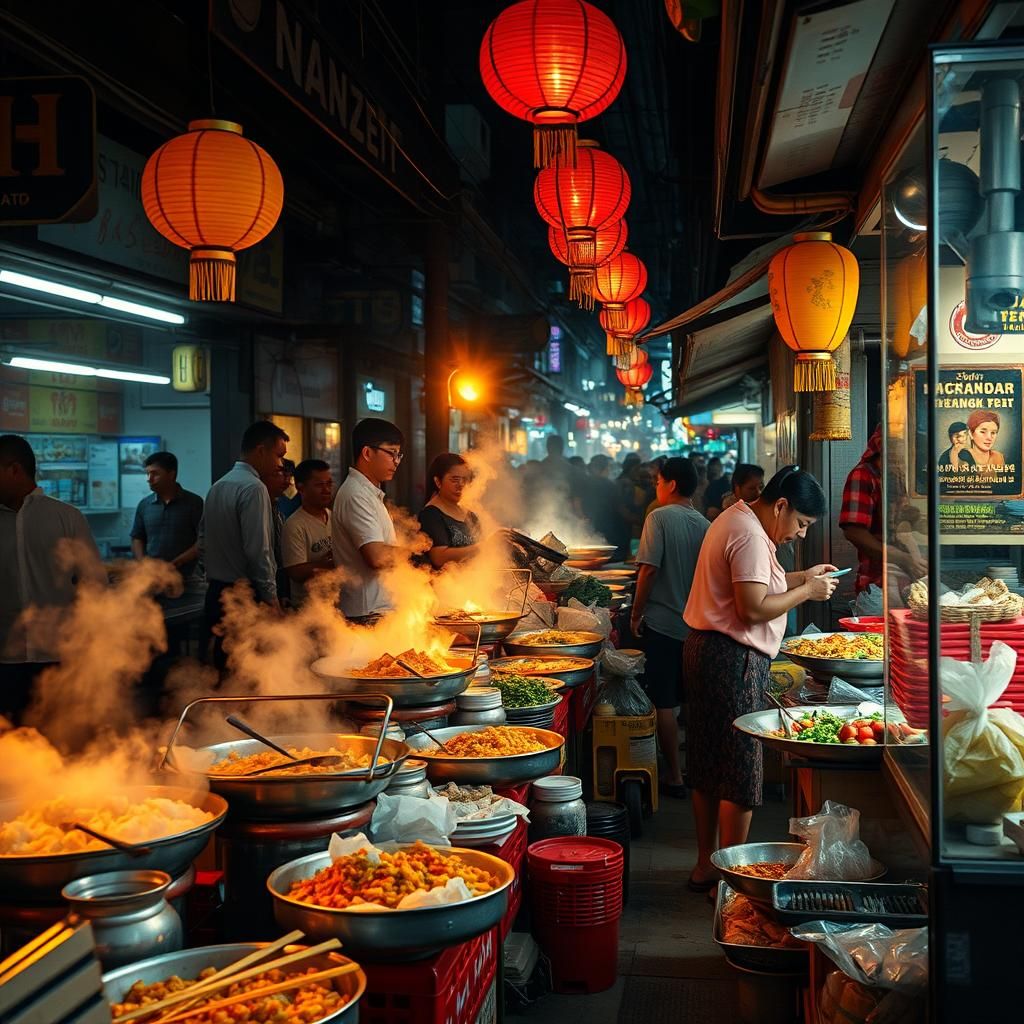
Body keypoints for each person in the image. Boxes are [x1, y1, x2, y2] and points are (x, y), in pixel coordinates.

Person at [682, 466, 839, 892]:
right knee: (739, 772)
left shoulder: (739, 519)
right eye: (801, 524)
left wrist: (803, 578)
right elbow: (752, 608)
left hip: (709, 651)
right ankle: (732, 882)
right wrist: (807, 593)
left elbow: (756, 585)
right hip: (733, 659)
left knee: (708, 764)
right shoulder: (751, 535)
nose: (801, 535)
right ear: (782, 506)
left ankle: (706, 868)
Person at [0, 434, 105, 721]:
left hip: (59, 657)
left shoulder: (66, 517)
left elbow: (94, 585)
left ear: (14, 470)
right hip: (4, 662)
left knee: (59, 746)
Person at [630, 458, 708, 798]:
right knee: (692, 699)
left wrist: (635, 613)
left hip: (662, 626)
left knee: (664, 702)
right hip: (697, 628)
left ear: (672, 484)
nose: (655, 487)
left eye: (657, 481)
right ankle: (696, 770)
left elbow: (647, 571)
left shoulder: (658, 517)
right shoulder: (706, 524)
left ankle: (673, 776)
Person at [200, 421, 287, 664]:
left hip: (216, 593)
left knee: (222, 668)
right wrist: (271, 598)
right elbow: (259, 551)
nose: (280, 463)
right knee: (249, 671)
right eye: (278, 455)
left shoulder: (218, 486)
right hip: (244, 596)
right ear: (261, 450)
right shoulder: (254, 488)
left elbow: (202, 541)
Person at [333, 418, 406, 622]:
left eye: (398, 455)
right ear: (367, 453)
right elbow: (376, 556)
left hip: (377, 609)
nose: (396, 461)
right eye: (391, 453)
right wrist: (415, 554)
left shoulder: (369, 493)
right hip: (366, 614)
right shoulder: (356, 494)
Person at [840, 427, 927, 596]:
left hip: (914, 579)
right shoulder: (863, 476)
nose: (899, 464)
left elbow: (905, 519)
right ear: (882, 452)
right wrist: (903, 559)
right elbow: (853, 531)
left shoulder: (901, 478)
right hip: (878, 581)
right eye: (895, 459)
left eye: (903, 459)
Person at [130, 451, 203, 578]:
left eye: (155, 474)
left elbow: (203, 540)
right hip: (152, 580)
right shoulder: (145, 505)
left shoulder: (194, 503)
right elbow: (137, 537)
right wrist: (143, 564)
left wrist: (177, 563)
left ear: (171, 474)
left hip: (187, 579)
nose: (149, 479)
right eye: (147, 474)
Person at [281, 459, 334, 606]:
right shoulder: (294, 525)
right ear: (301, 488)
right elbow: (295, 571)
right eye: (319, 485)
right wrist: (328, 563)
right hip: (308, 610)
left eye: (329, 484)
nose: (327, 490)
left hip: (338, 607)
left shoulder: (335, 518)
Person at [418, 453, 482, 567]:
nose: (461, 485)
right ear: (438, 482)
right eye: (455, 479)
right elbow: (439, 557)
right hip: (445, 583)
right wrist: (478, 548)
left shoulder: (470, 515)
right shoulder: (431, 515)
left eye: (465, 480)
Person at [581, 454, 627, 548]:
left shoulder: (585, 482)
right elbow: (619, 507)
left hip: (589, 524)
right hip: (608, 525)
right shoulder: (610, 485)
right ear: (606, 468)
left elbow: (577, 502)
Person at [263, 459, 292, 606]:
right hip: (263, 589)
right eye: (282, 475)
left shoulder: (280, 505)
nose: (287, 481)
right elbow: (262, 554)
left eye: (289, 476)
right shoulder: (261, 503)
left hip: (278, 585)